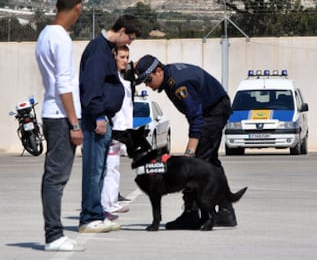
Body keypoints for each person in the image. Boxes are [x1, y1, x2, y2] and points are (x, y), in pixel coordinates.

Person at [135, 55, 236, 230]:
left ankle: (191, 213)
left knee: (196, 164)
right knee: (210, 161)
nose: (148, 85)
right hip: (214, 108)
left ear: (158, 71)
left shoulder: (178, 84)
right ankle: (225, 210)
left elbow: (196, 117)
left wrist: (190, 152)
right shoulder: (169, 76)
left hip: (213, 112)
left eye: (148, 80)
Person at [78, 15, 141, 233]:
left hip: (105, 117)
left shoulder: (105, 49)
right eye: (129, 39)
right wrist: (98, 116)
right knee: (94, 171)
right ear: (121, 30)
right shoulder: (98, 50)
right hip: (97, 119)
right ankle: (88, 217)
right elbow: (92, 85)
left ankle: (97, 214)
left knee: (101, 170)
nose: (128, 44)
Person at [35, 0, 84, 251]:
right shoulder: (62, 39)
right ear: (77, 7)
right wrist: (75, 123)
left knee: (52, 176)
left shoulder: (44, 35)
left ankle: (53, 232)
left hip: (51, 112)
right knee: (56, 177)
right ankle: (53, 235)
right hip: (60, 115)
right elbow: (64, 85)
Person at [101, 45, 133, 220]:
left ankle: (112, 202)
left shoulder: (123, 77)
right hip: (114, 128)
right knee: (109, 167)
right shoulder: (111, 78)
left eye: (127, 57)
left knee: (115, 167)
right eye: (122, 57)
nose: (125, 61)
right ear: (114, 57)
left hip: (123, 128)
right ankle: (107, 205)